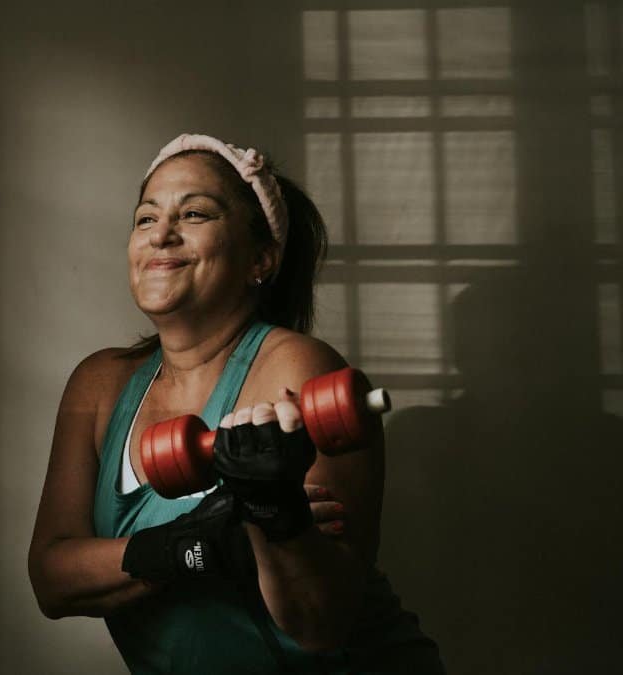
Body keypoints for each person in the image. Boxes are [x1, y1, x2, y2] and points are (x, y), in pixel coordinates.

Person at [28, 134, 444, 674]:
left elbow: (320, 624)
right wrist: (192, 544)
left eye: (195, 213)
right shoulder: (99, 385)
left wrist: (276, 516)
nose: (161, 236)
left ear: (261, 257)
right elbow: (53, 578)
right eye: (145, 218)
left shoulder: (298, 373)